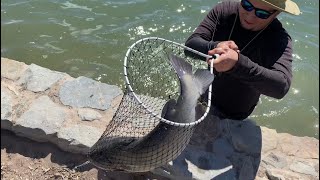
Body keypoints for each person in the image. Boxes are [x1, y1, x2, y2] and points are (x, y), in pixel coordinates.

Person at [185, 0, 300, 120]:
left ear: (276, 14)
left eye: (262, 13)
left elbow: (281, 87)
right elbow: (190, 45)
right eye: (247, 5)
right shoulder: (224, 10)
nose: (250, 16)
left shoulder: (279, 38)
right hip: (203, 94)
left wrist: (237, 64)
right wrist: (215, 47)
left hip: (235, 113)